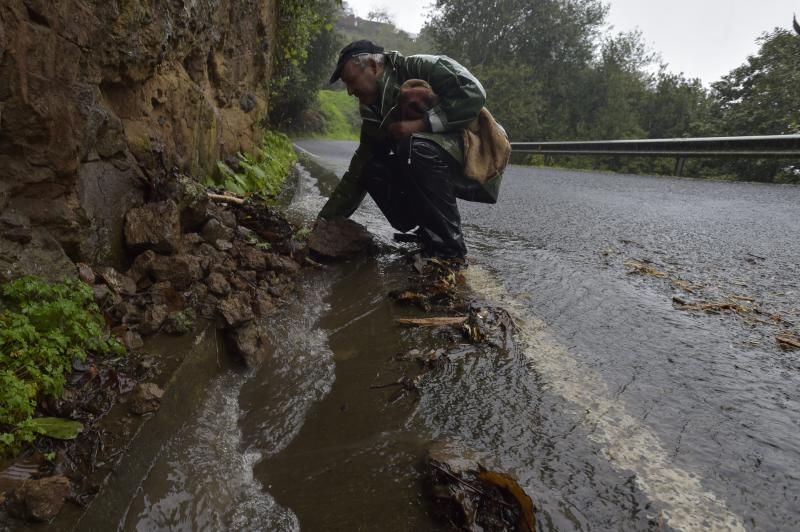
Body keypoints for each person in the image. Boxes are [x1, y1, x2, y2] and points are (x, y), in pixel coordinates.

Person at [318, 40, 502, 259]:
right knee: (370, 167)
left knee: (412, 148)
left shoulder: (420, 66)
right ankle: (427, 231)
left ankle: (449, 250)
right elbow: (356, 172)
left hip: (475, 158)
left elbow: (474, 92)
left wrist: (420, 125)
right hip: (425, 156)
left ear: (373, 67)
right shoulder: (373, 112)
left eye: (350, 81)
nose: (349, 91)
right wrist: (323, 222)